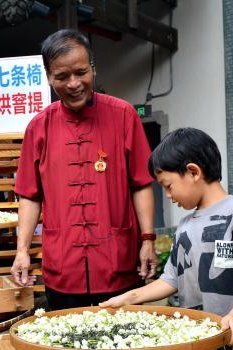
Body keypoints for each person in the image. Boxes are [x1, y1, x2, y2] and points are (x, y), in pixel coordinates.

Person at [99, 128, 233, 350]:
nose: (168, 195)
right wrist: (130, 297)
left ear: (193, 172)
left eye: (168, 185)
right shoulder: (184, 227)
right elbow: (170, 279)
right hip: (200, 347)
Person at [12, 29, 158, 309]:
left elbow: (141, 183)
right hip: (63, 268)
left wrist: (148, 239)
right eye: (62, 76)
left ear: (93, 67)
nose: (74, 84)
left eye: (81, 72)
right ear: (48, 76)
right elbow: (29, 196)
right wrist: (22, 251)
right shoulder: (38, 127)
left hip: (118, 263)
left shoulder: (124, 116)